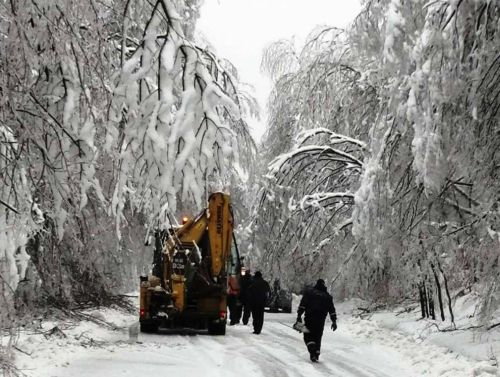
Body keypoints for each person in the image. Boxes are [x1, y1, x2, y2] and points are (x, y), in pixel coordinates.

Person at [295, 279, 337, 362]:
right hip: (321, 320)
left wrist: (299, 316)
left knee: (307, 335)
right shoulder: (327, 296)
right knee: (318, 336)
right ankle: (316, 352)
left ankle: (312, 349)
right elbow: (332, 310)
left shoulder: (309, 293)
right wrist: (334, 321)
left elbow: (302, 305)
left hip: (309, 318)